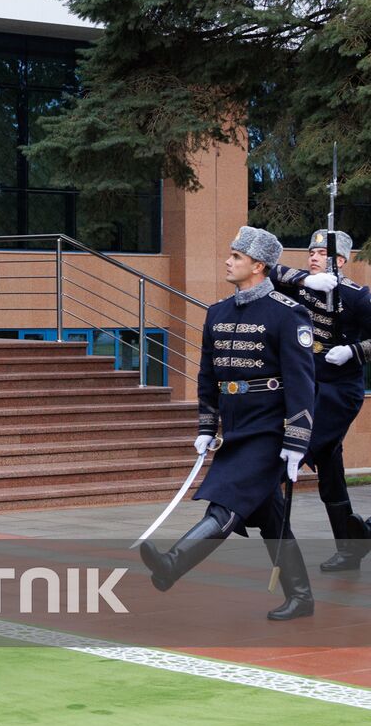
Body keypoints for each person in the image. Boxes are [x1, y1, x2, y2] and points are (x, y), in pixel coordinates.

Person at [139, 226, 316, 620]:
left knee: (227, 502)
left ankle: (173, 564)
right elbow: (207, 376)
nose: (228, 260)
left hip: (270, 430)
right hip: (235, 428)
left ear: (259, 265)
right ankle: (301, 596)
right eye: (230, 254)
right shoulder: (217, 312)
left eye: (236, 256)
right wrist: (206, 428)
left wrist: (296, 441)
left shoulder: (288, 314)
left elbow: (303, 382)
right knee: (271, 515)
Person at [269, 229, 371, 571]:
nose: (312, 257)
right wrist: (303, 279)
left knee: (299, 449)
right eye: (310, 252)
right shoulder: (302, 284)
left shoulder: (356, 296)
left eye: (321, 253)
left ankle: (250, 502)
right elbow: (265, 270)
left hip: (339, 392)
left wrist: (355, 350)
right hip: (309, 386)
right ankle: (350, 547)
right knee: (329, 464)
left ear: (340, 261)